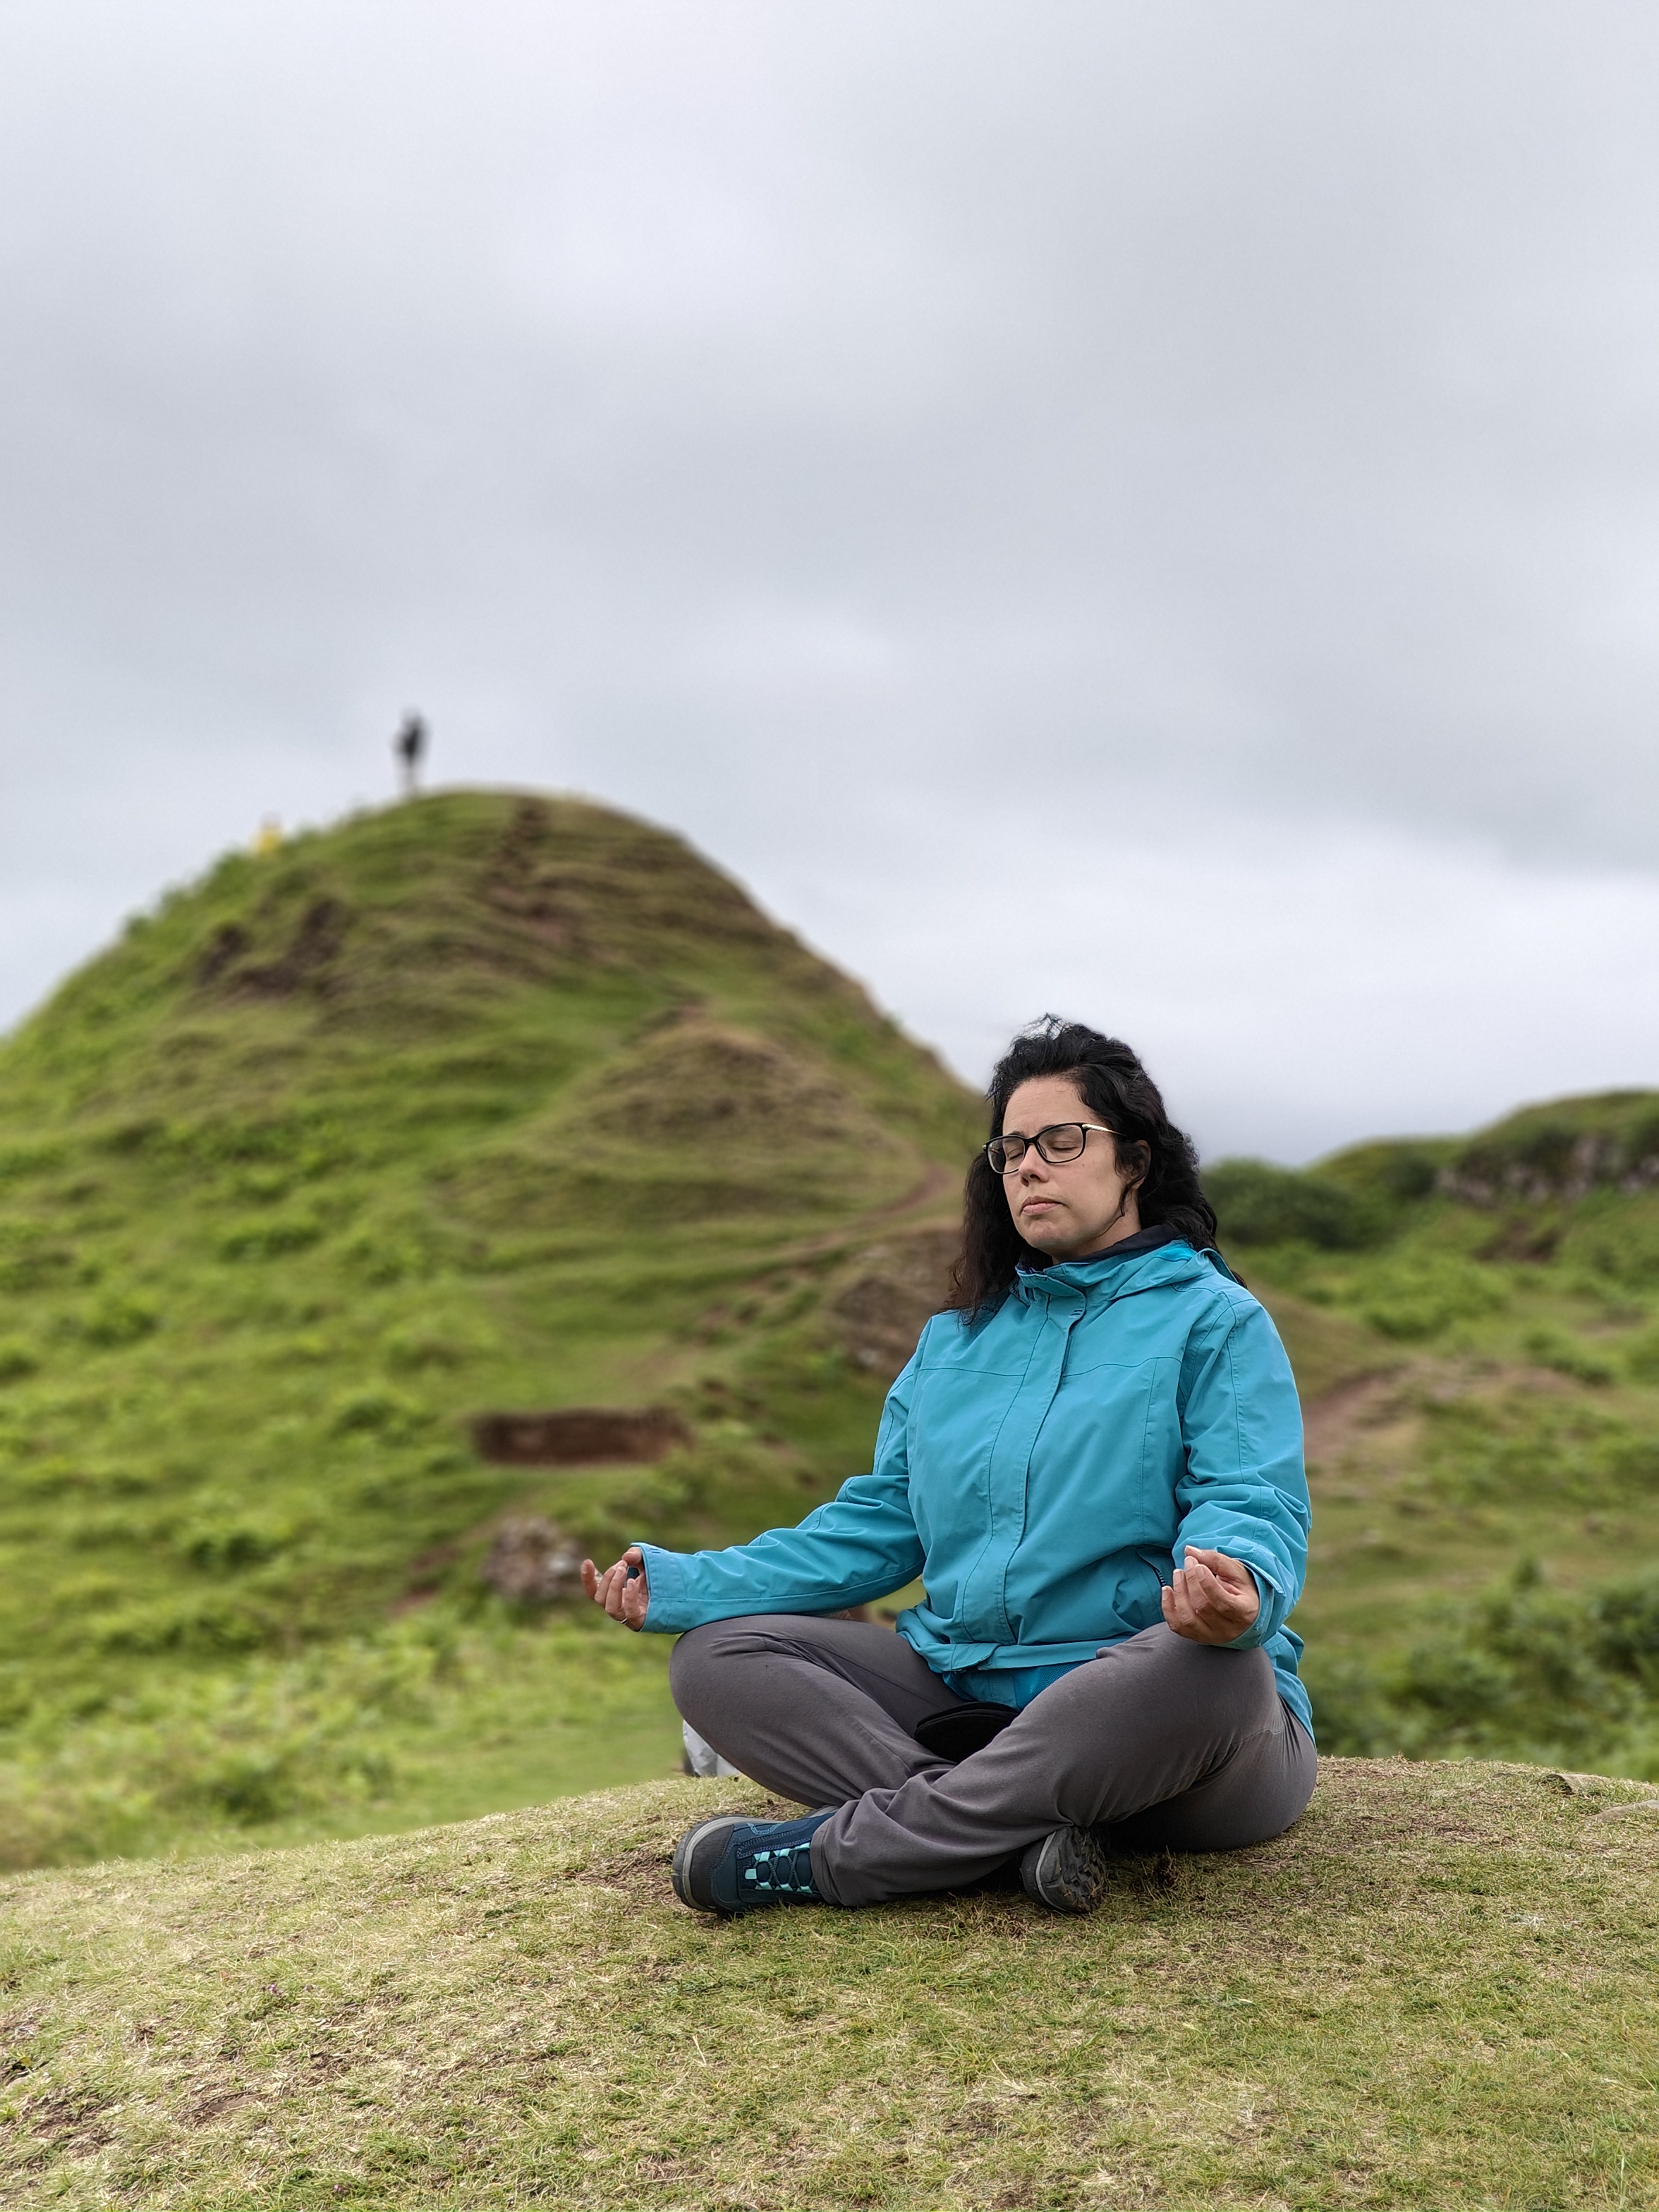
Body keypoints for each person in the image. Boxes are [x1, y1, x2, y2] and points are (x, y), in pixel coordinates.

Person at [583, 1017, 1314, 1918]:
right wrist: (693, 1584)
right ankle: (1011, 1836)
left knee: (1216, 1668)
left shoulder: (1216, 1321)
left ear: (1134, 1161)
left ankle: (835, 1857)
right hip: (970, 1696)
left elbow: (1249, 1497)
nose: (1028, 1167)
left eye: (1060, 1141)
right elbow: (878, 1525)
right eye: (1010, 1150)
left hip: (1143, 1716)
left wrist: (1235, 1585)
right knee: (719, 1657)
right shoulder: (952, 1343)